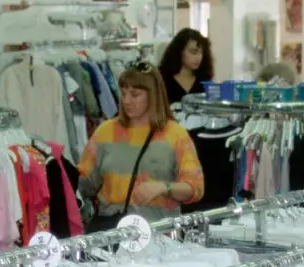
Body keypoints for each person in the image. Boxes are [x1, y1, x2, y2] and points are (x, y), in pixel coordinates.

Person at [77, 63, 204, 228]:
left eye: (135, 94)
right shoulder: (105, 132)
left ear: (153, 95)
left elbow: (195, 188)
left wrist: (163, 188)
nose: (126, 100)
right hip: (112, 234)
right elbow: (84, 183)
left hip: (159, 235)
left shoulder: (175, 134)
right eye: (123, 93)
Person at [159, 28, 215, 107]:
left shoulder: (204, 82)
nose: (198, 57)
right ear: (179, 51)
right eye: (193, 52)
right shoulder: (162, 79)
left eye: (201, 53)